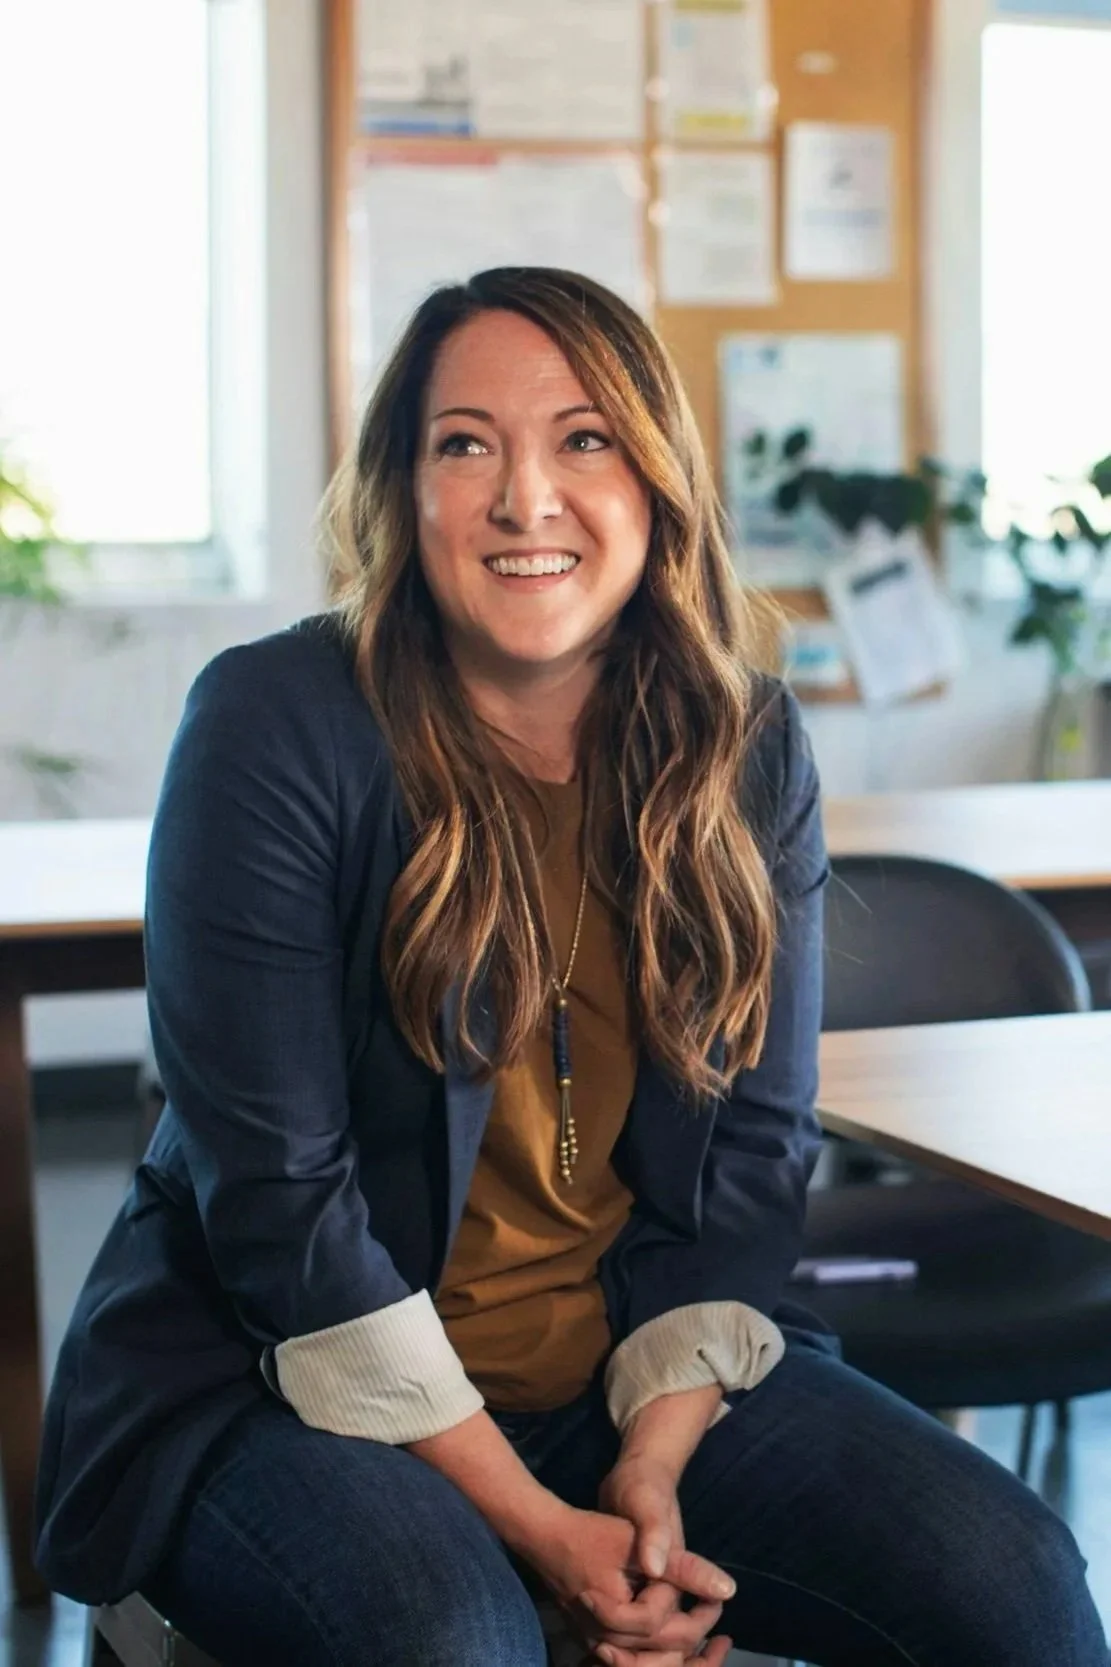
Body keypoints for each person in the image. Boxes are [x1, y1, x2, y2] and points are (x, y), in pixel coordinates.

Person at [35, 267, 1105, 1667]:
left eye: (583, 438)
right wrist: (547, 1538)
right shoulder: (275, 722)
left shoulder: (745, 743)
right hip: (279, 1382)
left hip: (625, 1371)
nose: (524, 497)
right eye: (464, 442)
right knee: (456, 1636)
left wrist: (650, 1477)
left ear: (654, 476)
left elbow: (751, 1163)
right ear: (400, 492)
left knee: (1009, 1578)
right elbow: (280, 1212)